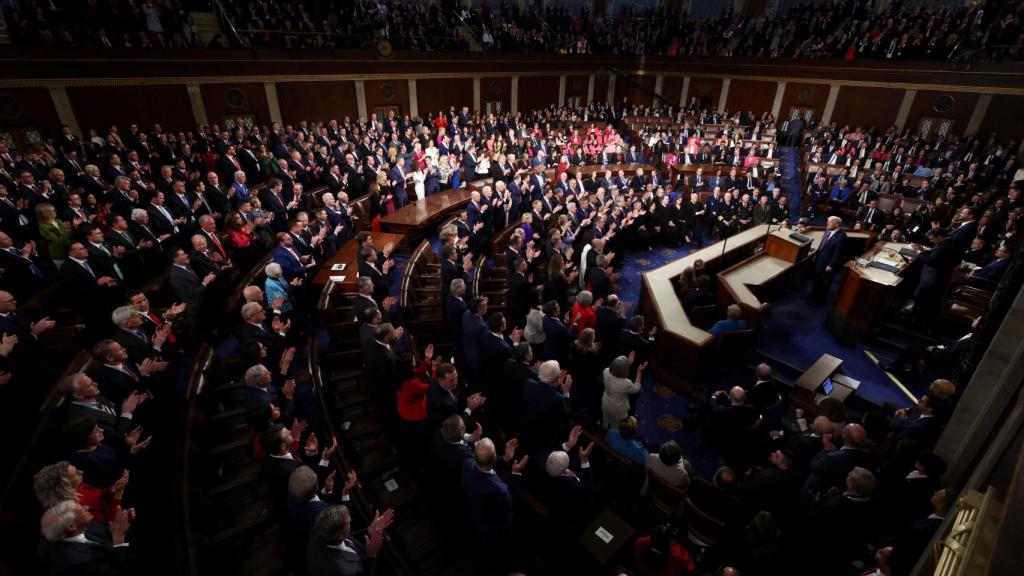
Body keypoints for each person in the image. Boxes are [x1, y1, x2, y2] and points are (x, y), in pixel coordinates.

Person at [306, 505, 395, 576]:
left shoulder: (320, 531)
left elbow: (348, 538)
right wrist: (371, 556)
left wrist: (369, 530)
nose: (350, 522)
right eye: (348, 523)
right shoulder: (346, 571)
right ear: (340, 535)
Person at [808, 216, 847, 305]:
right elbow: (822, 245)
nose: (827, 224)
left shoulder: (841, 236)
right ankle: (812, 295)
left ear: (837, 224)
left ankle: (819, 301)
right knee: (817, 279)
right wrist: (816, 255)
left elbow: (838, 253)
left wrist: (831, 265)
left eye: (830, 222)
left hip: (828, 263)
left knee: (824, 283)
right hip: (820, 259)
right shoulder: (827, 231)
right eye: (828, 222)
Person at [601, 355, 646, 427]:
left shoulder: (605, 371)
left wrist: (628, 363)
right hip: (619, 409)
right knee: (617, 425)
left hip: (606, 403)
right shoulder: (626, 383)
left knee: (605, 419)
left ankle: (603, 430)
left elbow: (616, 370)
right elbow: (637, 388)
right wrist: (639, 371)